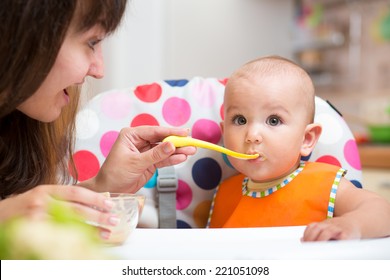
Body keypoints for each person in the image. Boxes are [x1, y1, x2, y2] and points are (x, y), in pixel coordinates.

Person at [0, 0, 196, 240]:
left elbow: (27, 215)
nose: (99, 70)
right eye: (92, 42)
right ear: (21, 31)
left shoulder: (20, 128)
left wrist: (101, 187)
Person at [207, 55, 390, 241]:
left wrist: (352, 224)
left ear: (307, 139)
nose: (252, 135)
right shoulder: (225, 194)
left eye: (273, 120)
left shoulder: (323, 185)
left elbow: (382, 212)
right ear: (224, 133)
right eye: (240, 120)